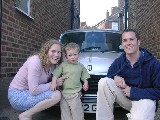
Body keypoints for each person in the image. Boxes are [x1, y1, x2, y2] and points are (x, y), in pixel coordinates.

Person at [96, 29, 160, 120]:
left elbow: (158, 91)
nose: (128, 43)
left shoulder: (153, 63)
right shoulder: (119, 61)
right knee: (103, 82)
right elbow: (109, 76)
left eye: (131, 39)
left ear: (138, 42)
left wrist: (133, 92)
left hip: (145, 100)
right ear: (122, 44)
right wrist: (115, 77)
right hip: (126, 99)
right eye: (125, 40)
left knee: (139, 117)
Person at [8, 39, 66, 120]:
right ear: (46, 51)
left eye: (59, 52)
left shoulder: (52, 65)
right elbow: (34, 90)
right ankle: (26, 115)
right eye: (53, 51)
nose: (56, 55)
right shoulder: (35, 61)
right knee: (56, 95)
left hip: (28, 93)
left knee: (57, 92)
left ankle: (25, 113)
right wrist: (54, 83)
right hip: (17, 95)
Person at [50, 42, 90, 120]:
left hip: (75, 93)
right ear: (66, 56)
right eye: (70, 55)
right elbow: (55, 74)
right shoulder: (63, 65)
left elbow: (85, 75)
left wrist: (86, 82)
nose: (73, 57)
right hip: (64, 94)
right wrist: (53, 83)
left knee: (77, 113)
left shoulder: (80, 66)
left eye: (75, 54)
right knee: (65, 114)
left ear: (78, 54)